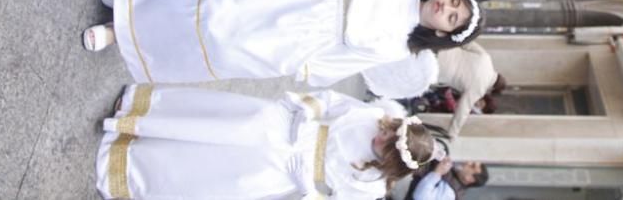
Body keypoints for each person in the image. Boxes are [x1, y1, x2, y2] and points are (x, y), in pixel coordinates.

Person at [78, 0, 483, 85]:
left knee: (216, 38)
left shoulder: (397, 45)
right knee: (212, 0)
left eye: (452, 18)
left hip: (299, 36)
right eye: (452, 2)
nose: (445, 8)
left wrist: (298, 63)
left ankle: (121, 35)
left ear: (442, 33)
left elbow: (342, 62)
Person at [97, 85, 440, 199]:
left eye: (387, 145)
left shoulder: (371, 188)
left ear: (392, 161)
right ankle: (137, 118)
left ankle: (129, 163)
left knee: (205, 168)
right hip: (283, 128)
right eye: (389, 132)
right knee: (212, 124)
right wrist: (306, 111)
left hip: (281, 171)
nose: (380, 137)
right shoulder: (372, 117)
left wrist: (303, 184)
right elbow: (332, 102)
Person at [435, 42, 505, 137]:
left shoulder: (485, 57)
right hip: (438, 70)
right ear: (492, 89)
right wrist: (453, 132)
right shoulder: (480, 89)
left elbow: (466, 43)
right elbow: (463, 108)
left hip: (441, 48)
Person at [405, 157, 489, 200]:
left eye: (472, 166)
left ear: (469, 178)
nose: (468, 162)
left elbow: (421, 197)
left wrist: (437, 173)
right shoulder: (451, 173)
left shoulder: (450, 195)